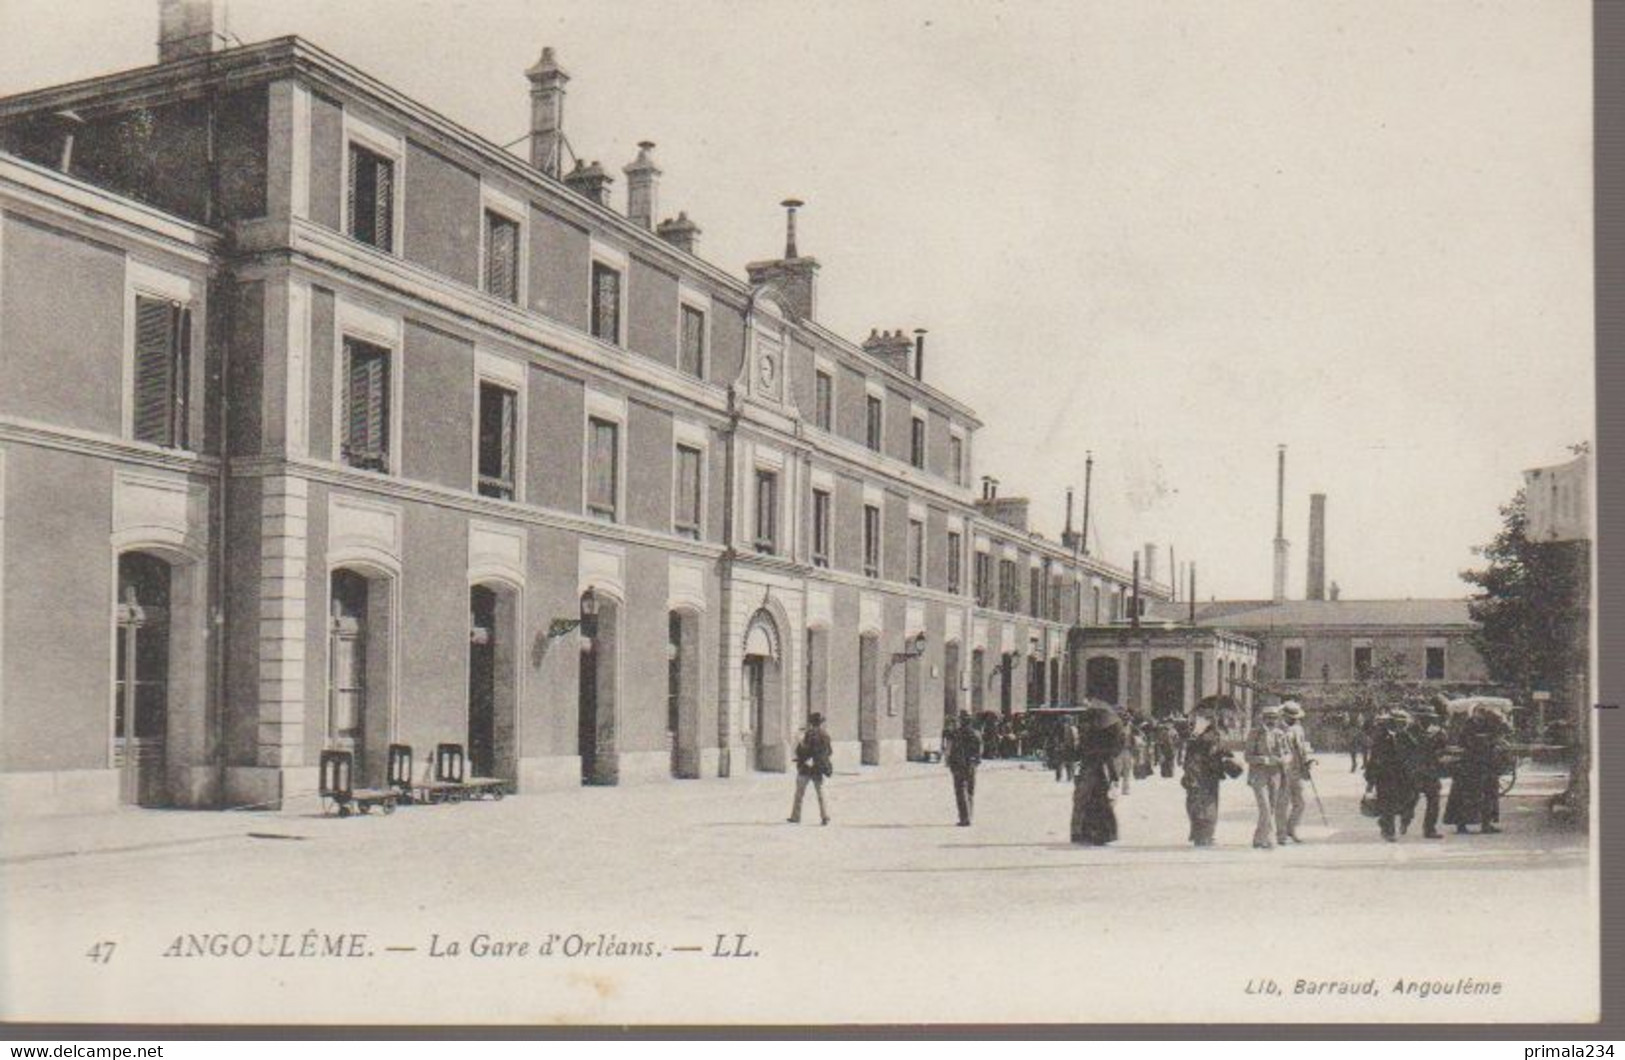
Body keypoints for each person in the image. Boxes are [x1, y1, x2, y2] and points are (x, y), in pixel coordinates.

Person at [1443, 707, 1509, 834]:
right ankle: (1461, 825)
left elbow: (1500, 733)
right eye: (1478, 715)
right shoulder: (1468, 727)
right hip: (1469, 766)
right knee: (1464, 796)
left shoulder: (1489, 725)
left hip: (1486, 765)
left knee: (1489, 795)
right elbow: (1466, 743)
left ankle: (1486, 824)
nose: (1480, 718)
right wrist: (1484, 742)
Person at [1181, 705, 1239, 847]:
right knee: (1206, 805)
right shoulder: (1210, 736)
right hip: (1203, 774)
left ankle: (1201, 835)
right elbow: (1211, 753)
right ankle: (1204, 836)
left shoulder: (1201, 736)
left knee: (1198, 804)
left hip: (1202, 774)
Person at [1072, 708, 1125, 845]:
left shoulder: (1093, 738)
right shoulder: (1103, 737)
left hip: (1093, 772)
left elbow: (1080, 754)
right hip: (1098, 773)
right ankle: (1102, 833)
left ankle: (1090, 833)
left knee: (1091, 803)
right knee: (1100, 804)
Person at [1364, 709, 1417, 841]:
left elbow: (1415, 752)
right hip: (1385, 775)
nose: (1402, 726)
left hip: (1403, 775)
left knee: (1407, 799)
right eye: (1399, 723)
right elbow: (1374, 757)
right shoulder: (1382, 736)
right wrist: (1370, 779)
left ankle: (1389, 822)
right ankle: (1389, 831)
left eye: (1404, 723)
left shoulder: (1406, 736)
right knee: (1388, 803)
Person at [1402, 702, 1449, 839]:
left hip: (1431, 771)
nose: (1426, 720)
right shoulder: (1409, 732)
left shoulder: (1437, 732)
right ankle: (1405, 821)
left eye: (1428, 717)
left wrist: (1440, 747)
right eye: (1423, 717)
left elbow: (1442, 749)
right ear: (1417, 718)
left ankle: (1429, 829)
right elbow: (1404, 752)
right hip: (1415, 772)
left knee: (1434, 801)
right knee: (1411, 800)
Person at [1245, 705, 1289, 849]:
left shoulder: (1280, 734)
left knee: (1271, 808)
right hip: (1259, 774)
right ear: (1263, 719)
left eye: (1274, 718)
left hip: (1275, 774)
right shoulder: (1254, 734)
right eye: (1268, 718)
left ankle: (1258, 838)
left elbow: (1289, 754)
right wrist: (1264, 759)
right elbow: (1248, 756)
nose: (1271, 721)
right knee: (1264, 807)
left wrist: (1284, 759)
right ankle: (1270, 838)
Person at [1277, 702, 1315, 843]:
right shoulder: (1278, 729)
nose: (1294, 719)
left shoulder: (1299, 729)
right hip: (1282, 771)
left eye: (1295, 717)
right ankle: (1280, 834)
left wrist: (1307, 761)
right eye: (1291, 717)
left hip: (1297, 770)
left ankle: (1291, 829)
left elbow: (1303, 747)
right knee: (1283, 803)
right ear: (1284, 716)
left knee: (1300, 803)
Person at [787, 712, 832, 825]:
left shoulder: (808, 734)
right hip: (818, 768)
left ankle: (795, 816)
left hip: (805, 768)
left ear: (811, 723)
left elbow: (804, 751)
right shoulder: (825, 735)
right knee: (821, 793)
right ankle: (825, 816)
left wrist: (800, 743)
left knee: (799, 794)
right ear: (820, 723)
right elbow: (830, 752)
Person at [944, 711, 982, 826]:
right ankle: (969, 815)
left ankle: (964, 818)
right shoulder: (976, 733)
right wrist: (975, 761)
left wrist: (947, 760)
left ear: (961, 721)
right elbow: (980, 750)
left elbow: (949, 748)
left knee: (960, 790)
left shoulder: (955, 733)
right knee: (970, 790)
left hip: (958, 764)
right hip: (971, 764)